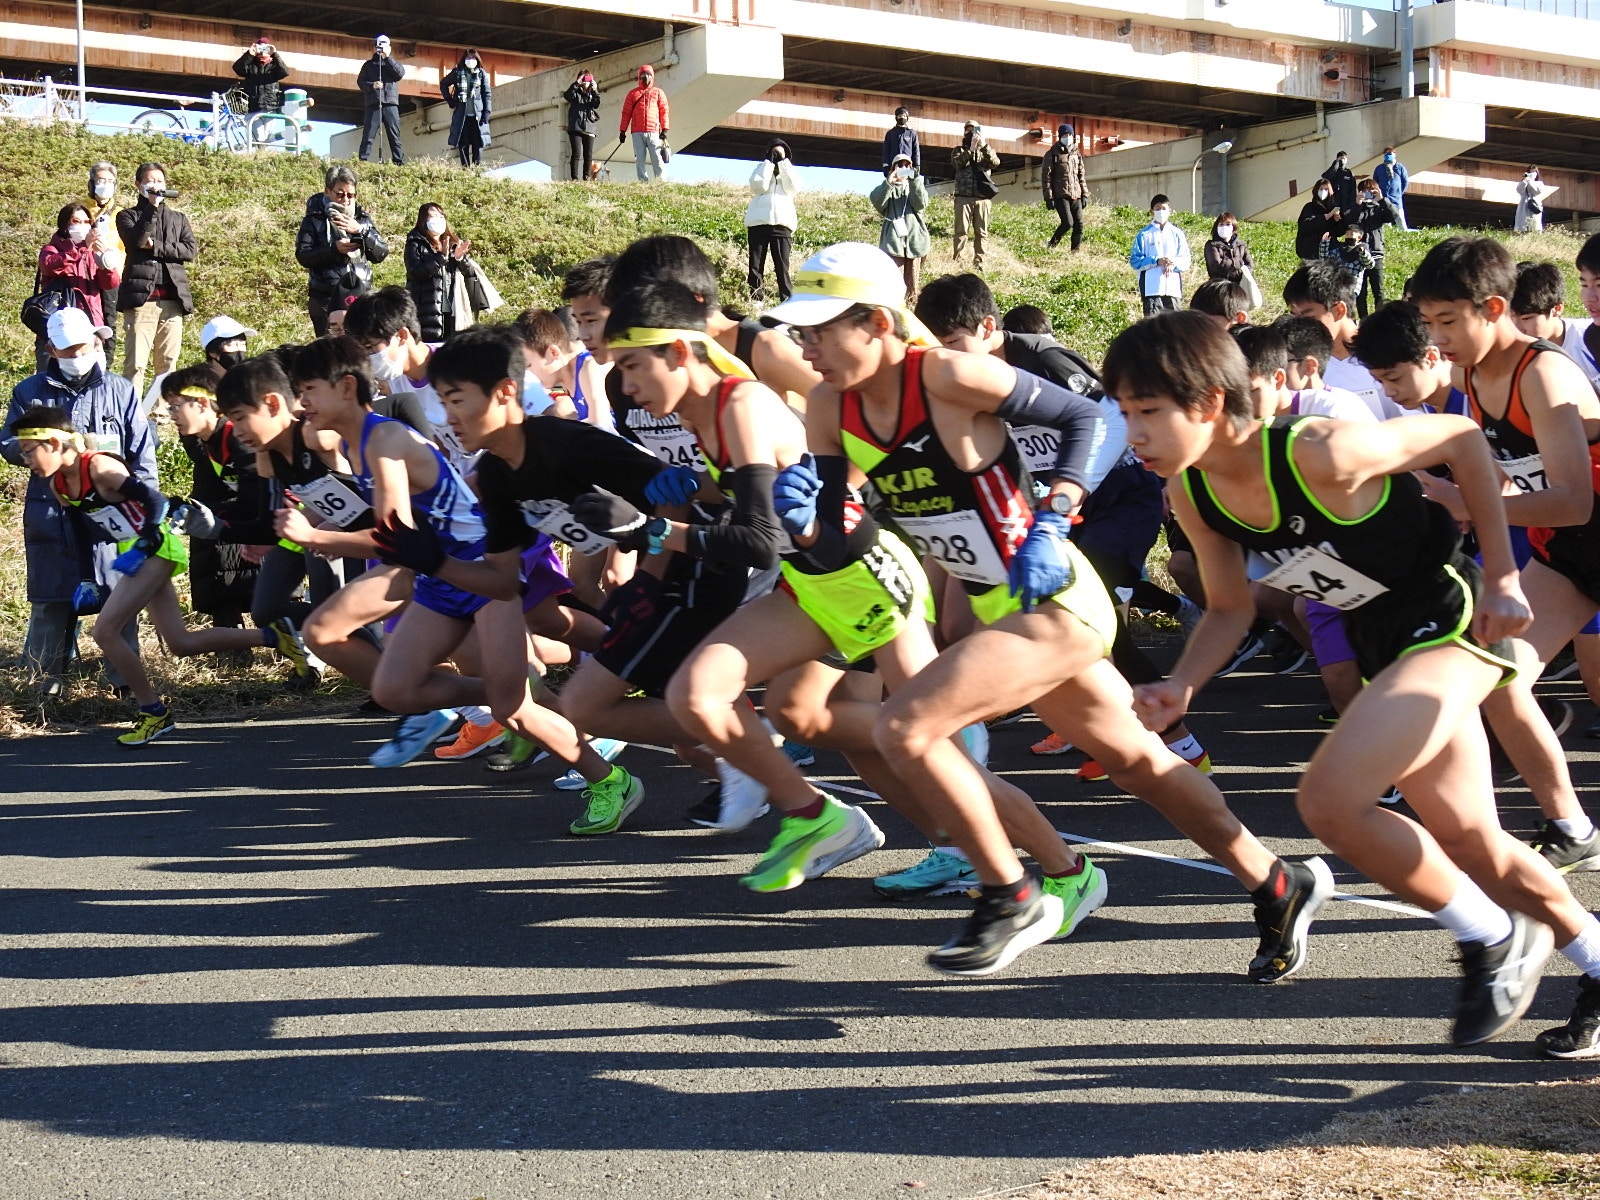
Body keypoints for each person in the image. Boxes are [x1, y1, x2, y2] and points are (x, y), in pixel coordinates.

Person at [776, 241, 1332, 980]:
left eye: (818, 328)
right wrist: (810, 518)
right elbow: (841, 518)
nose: (803, 344)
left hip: (1053, 594)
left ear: (878, 323)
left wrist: (1054, 515)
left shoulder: (945, 374)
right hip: (996, 605)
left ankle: (1013, 891)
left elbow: (1084, 417)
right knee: (1138, 760)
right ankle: (1277, 882)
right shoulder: (826, 406)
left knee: (908, 726)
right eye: (799, 330)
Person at [1111, 307, 1600, 1051]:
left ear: (1210, 402)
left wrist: (1504, 576)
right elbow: (1229, 608)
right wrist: (1181, 683)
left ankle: (1493, 937)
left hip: (1448, 620)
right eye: (1122, 413)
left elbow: (1464, 439)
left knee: (1329, 802)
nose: (1132, 433)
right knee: (1473, 841)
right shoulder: (1193, 493)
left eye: (1147, 412)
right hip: (1382, 642)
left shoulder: (1322, 451)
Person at [1404, 238, 1600, 880]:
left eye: (1448, 321)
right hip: (1574, 553)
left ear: (1493, 308)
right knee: (1499, 672)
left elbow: (1571, 500)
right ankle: (1570, 824)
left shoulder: (1541, 375)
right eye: (1429, 323)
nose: (1439, 338)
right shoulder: (1467, 376)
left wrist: (1467, 502)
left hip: (1580, 526)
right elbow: (1500, 477)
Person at [13, 406, 311, 745]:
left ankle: (153, 713)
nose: (26, 461)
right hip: (133, 550)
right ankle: (275, 637)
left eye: (28, 451)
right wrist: (85, 578)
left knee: (105, 632)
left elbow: (155, 501)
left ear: (53, 443)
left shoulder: (99, 467)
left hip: (155, 547)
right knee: (180, 642)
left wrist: (147, 539)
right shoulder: (58, 484)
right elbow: (80, 531)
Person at [1, 308, 153, 696]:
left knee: (119, 597)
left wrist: (142, 517)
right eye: (66, 351)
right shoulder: (29, 392)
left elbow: (142, 455)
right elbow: (7, 444)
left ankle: (124, 683)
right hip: (52, 511)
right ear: (51, 349)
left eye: (82, 347)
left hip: (111, 512)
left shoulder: (120, 390)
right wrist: (42, 448)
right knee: (52, 599)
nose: (76, 356)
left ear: (97, 342)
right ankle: (44, 682)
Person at [116, 162, 194, 401]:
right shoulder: (128, 215)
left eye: (159, 181)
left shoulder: (178, 218)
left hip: (173, 300)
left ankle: (160, 410)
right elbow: (137, 241)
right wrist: (151, 207)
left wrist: (157, 247)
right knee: (136, 363)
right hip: (142, 300)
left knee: (168, 363)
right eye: (150, 181)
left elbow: (189, 250)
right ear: (138, 184)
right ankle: (131, 411)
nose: (155, 185)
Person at [1282, 262, 1396, 420]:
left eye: (1308, 317)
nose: (1300, 326)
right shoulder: (1302, 364)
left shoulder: (1387, 354)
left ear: (1339, 310)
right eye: (1295, 316)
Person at [296, 165, 388, 337]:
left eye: (351, 195)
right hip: (325, 296)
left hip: (360, 294)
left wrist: (361, 231)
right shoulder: (314, 219)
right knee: (330, 354)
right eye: (340, 194)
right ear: (327, 192)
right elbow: (303, 255)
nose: (346, 199)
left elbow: (381, 253)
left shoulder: (362, 218)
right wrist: (333, 249)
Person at [36, 202, 121, 373]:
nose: (82, 226)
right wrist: (82, 248)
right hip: (59, 326)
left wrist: (105, 261)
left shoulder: (91, 252)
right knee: (51, 380)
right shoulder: (51, 249)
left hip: (91, 323)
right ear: (65, 225)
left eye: (86, 222)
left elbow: (110, 284)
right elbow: (51, 266)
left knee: (94, 381)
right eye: (76, 221)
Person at [1511, 260, 1600, 393]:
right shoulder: (1508, 351)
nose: (1517, 329)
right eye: (1510, 318)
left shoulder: (1591, 339)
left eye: (1526, 318)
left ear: (1557, 309)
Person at [404, 204, 472, 342]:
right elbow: (415, 272)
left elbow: (470, 273)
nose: (438, 220)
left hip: (453, 309)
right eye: (433, 216)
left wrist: (459, 258)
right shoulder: (415, 243)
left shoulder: (454, 243)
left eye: (441, 217)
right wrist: (441, 257)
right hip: (426, 310)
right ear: (423, 220)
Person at [745, 138, 800, 304]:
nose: (776, 155)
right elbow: (758, 186)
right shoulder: (761, 168)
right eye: (773, 152)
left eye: (779, 152)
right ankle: (756, 300)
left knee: (782, 266)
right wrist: (768, 162)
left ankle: (786, 300)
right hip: (758, 222)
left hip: (782, 224)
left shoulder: (790, 171)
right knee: (755, 265)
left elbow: (793, 187)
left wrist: (783, 162)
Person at [869, 155, 930, 304]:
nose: (903, 168)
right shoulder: (887, 189)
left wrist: (915, 179)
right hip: (893, 243)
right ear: (893, 168)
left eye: (906, 165)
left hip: (915, 243)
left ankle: (911, 312)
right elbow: (877, 202)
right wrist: (889, 183)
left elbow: (921, 203)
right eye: (899, 165)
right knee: (893, 284)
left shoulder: (915, 187)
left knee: (913, 289)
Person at [83, 161, 124, 356]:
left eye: (110, 181)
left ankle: (105, 363)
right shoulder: (79, 210)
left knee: (109, 320)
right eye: (101, 180)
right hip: (84, 274)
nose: (105, 185)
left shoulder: (120, 213)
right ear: (91, 183)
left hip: (110, 274)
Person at [951, 121, 999, 271]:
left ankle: (980, 261)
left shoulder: (986, 150)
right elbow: (957, 164)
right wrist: (970, 150)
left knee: (981, 232)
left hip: (982, 198)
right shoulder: (958, 150)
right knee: (961, 231)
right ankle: (958, 259)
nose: (971, 133)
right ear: (964, 133)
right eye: (968, 131)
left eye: (974, 131)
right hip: (963, 197)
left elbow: (995, 162)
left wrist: (983, 145)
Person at [1129, 194, 1189, 316]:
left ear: (1170, 211)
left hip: (1173, 289)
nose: (1161, 212)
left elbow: (1186, 259)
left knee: (1175, 327)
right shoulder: (1144, 234)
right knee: (1152, 327)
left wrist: (1173, 264)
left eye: (1164, 208)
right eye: (1157, 209)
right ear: (1151, 211)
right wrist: (1156, 261)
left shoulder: (1177, 233)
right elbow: (1135, 261)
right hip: (1151, 289)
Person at [1351, 179, 1397, 319]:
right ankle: (1363, 321)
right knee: (1361, 292)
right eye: (1364, 191)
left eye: (1371, 191)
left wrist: (1382, 200)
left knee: (1379, 291)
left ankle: (1380, 320)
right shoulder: (1356, 208)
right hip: (1360, 255)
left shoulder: (1379, 208)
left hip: (1377, 255)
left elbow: (1393, 215)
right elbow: (1350, 221)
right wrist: (1357, 204)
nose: (1368, 194)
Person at [357, 34, 405, 165]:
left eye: (385, 44)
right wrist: (371, 86)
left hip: (390, 103)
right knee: (368, 135)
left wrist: (387, 57)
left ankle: (399, 162)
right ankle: (362, 161)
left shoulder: (392, 63)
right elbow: (360, 82)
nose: (382, 47)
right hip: (374, 103)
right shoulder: (368, 65)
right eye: (380, 45)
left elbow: (399, 74)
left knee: (394, 135)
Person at [1040, 124, 1088, 253]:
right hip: (1060, 194)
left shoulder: (1076, 153)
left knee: (1079, 224)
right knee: (1068, 223)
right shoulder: (1052, 154)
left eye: (1070, 135)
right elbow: (1046, 178)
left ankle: (1075, 252)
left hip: (1076, 194)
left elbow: (1081, 175)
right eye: (1065, 135)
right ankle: (1051, 244)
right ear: (1060, 136)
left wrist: (1084, 194)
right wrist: (1049, 197)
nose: (1068, 137)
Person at [618, 64, 669, 183]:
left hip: (654, 131)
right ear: (639, 77)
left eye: (648, 75)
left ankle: (660, 181)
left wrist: (665, 129)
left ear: (652, 77)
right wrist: (622, 130)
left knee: (656, 157)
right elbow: (626, 113)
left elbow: (664, 111)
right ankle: (643, 182)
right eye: (643, 75)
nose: (646, 77)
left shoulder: (658, 93)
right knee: (639, 159)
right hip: (637, 132)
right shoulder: (632, 94)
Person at [441, 49, 491, 168]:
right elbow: (443, 84)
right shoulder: (457, 72)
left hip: (477, 116)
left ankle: (476, 169)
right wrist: (449, 100)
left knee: (478, 143)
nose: (470, 61)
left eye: (473, 58)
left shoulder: (481, 73)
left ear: (477, 60)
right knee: (463, 143)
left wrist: (486, 112)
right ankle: (465, 169)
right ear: (464, 60)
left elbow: (487, 93)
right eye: (468, 58)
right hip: (462, 115)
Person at [232, 38, 289, 114]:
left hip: (270, 107)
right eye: (260, 48)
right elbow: (237, 68)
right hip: (253, 107)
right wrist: (249, 54)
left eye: (265, 48)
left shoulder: (274, 65)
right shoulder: (251, 65)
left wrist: (275, 54)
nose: (262, 51)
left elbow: (285, 72)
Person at [562, 70, 600, 182]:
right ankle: (574, 178)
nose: (585, 81)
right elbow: (567, 96)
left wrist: (595, 90)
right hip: (576, 126)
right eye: (583, 78)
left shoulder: (592, 93)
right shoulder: (575, 92)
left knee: (588, 154)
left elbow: (596, 104)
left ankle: (586, 177)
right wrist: (576, 84)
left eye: (587, 79)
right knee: (576, 153)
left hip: (589, 126)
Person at [1203, 212, 1253, 293]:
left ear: (1233, 227)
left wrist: (1237, 273)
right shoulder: (1211, 245)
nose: (1224, 227)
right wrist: (1239, 262)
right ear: (1216, 227)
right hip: (1219, 288)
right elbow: (1217, 267)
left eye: (1228, 224)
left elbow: (1250, 266)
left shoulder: (1241, 245)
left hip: (1240, 288)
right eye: (1221, 224)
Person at [1295, 179, 1342, 263]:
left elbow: (1339, 232)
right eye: (1320, 189)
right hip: (1311, 252)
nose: (1323, 191)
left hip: (1328, 252)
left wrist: (1336, 221)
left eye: (1326, 189)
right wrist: (1324, 217)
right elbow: (1304, 226)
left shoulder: (1332, 208)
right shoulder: (1310, 207)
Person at [1373, 147, 1409, 232]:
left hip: (1396, 199)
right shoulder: (1379, 168)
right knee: (1386, 223)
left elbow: (1405, 182)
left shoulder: (1400, 167)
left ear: (1394, 155)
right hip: (1383, 199)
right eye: (1386, 154)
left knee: (1400, 220)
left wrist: (1399, 193)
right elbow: (1375, 182)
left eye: (1390, 154)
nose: (1388, 156)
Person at [882, 106, 919, 173]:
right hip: (893, 166)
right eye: (899, 116)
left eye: (904, 116)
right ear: (896, 117)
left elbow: (916, 151)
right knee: (895, 182)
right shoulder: (890, 134)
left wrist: (917, 166)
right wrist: (885, 165)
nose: (902, 117)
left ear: (907, 118)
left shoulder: (912, 133)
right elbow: (886, 151)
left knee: (907, 182)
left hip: (908, 166)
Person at [1320, 150, 1357, 215]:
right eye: (1340, 158)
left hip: (1346, 205)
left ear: (1347, 160)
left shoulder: (1349, 173)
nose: (1342, 160)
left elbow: (1353, 190)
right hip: (1333, 204)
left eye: (1344, 158)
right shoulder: (1333, 171)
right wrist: (1336, 163)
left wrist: (1351, 206)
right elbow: (1325, 176)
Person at [1516, 166, 1546, 234]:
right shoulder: (1524, 182)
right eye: (1530, 172)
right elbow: (1519, 190)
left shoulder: (1539, 183)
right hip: (1524, 206)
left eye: (1534, 172)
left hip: (1534, 205)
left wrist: (1530, 181)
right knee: (1523, 226)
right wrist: (1525, 180)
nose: (1532, 174)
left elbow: (1536, 191)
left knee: (1535, 225)